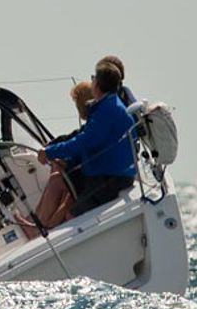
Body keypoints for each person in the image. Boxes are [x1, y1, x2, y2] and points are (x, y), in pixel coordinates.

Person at [39, 62, 137, 217]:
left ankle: (42, 229)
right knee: (58, 181)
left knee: (71, 215)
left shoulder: (107, 110)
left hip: (112, 179)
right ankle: (37, 227)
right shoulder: (107, 105)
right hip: (102, 172)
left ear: (97, 84)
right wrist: (67, 160)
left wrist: (50, 152)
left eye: (93, 78)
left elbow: (84, 141)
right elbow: (88, 142)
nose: (92, 82)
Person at [18, 81, 95, 238]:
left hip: (91, 178)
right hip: (91, 176)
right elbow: (73, 138)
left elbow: (80, 144)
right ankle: (40, 223)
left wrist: (63, 161)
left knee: (56, 180)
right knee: (63, 185)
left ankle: (36, 226)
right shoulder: (95, 122)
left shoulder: (93, 125)